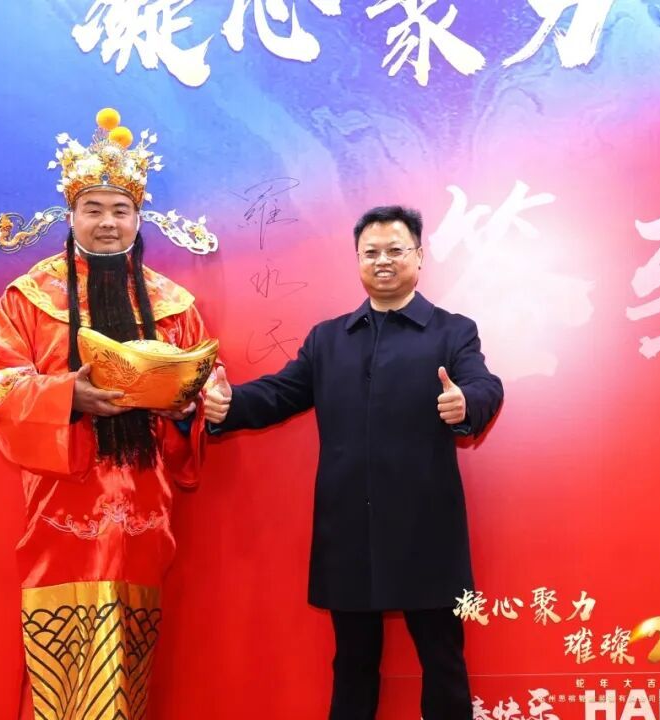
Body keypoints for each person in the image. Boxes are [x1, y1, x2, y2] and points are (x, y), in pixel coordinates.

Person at [205, 205, 503, 719]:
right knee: (353, 662)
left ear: (419, 256)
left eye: (395, 250)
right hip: (349, 526)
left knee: (443, 660)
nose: (383, 261)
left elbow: (484, 383)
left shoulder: (453, 332)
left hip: (426, 527)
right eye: (371, 252)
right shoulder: (328, 339)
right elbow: (282, 392)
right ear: (358, 260)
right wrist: (230, 404)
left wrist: (467, 403)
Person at [0, 108, 215, 720]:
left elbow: (201, 386)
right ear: (71, 214)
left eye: (120, 210)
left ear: (138, 217)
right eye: (94, 209)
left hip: (144, 500)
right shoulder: (29, 297)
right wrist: (66, 396)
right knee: (64, 645)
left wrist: (192, 404)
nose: (108, 222)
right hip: (64, 497)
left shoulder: (173, 303)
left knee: (131, 651)